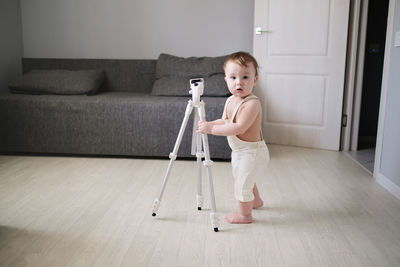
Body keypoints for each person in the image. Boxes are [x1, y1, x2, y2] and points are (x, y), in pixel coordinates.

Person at [197, 51, 270, 224]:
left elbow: (238, 127)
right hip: (239, 151)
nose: (239, 82)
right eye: (233, 77)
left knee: (242, 183)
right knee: (244, 176)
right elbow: (225, 121)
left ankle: (245, 215)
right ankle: (256, 201)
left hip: (253, 153)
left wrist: (211, 129)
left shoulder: (252, 103)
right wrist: (210, 123)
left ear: (255, 79)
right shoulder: (230, 100)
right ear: (226, 80)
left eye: (245, 77)